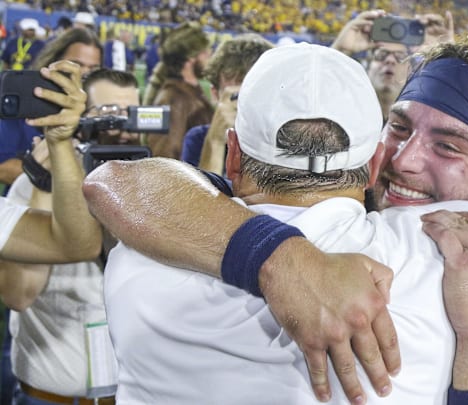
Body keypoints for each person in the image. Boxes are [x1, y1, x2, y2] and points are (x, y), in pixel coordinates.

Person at [90, 42, 468, 405]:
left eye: (448, 146)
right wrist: (277, 257)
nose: (405, 161)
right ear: (374, 159)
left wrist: (266, 251)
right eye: (399, 128)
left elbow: (124, 183)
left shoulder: (142, 248)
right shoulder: (443, 259)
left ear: (233, 154)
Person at [1, 68, 141, 405]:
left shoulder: (152, 185)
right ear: (79, 118)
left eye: (131, 114)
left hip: (130, 395)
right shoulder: (33, 183)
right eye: (109, 115)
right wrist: (45, 185)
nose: (122, 129)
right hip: (52, 396)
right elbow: (20, 294)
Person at [0, 28, 102, 187]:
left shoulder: (103, 111)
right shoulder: (27, 102)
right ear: (53, 62)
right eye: (76, 64)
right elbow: (3, 168)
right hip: (29, 207)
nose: (84, 73)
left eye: (93, 68)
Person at [180, 35, 274, 174]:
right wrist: (215, 141)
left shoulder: (287, 140)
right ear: (215, 95)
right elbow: (201, 196)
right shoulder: (199, 139)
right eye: (237, 96)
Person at [143, 22, 214, 159]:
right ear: (190, 58)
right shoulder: (174, 99)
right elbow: (164, 158)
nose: (209, 57)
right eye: (205, 52)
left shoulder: (189, 92)